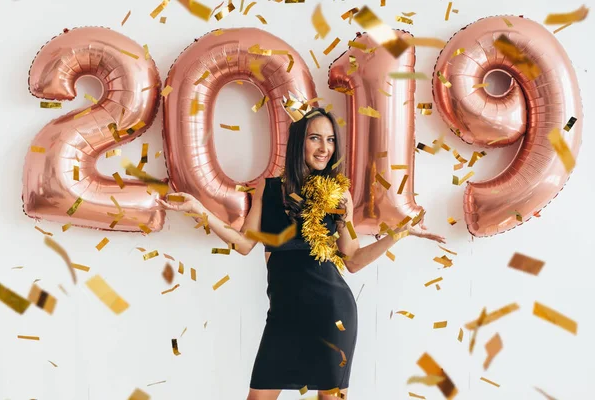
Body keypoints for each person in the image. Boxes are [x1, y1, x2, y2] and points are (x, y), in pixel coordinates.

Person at [157, 108, 445, 400]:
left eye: (331, 140)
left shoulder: (338, 195)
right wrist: (199, 210)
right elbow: (244, 244)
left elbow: (353, 259)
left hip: (331, 311)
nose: (324, 148)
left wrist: (400, 233)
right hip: (283, 314)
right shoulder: (268, 190)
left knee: (329, 398)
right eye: (315, 138)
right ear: (299, 142)